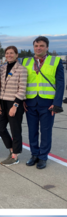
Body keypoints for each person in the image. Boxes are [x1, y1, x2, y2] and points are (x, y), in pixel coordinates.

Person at [22, 36, 65, 170]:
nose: (38, 48)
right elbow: (23, 82)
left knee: (46, 132)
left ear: (46, 47)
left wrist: (57, 103)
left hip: (48, 104)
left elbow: (60, 84)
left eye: (41, 45)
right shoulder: (26, 61)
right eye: (36, 45)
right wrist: (23, 99)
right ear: (33, 47)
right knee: (32, 131)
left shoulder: (55, 61)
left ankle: (43, 157)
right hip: (30, 102)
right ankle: (34, 155)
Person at [0, 46, 27, 166]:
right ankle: (11, 149)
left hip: (14, 103)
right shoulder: (2, 68)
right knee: (0, 127)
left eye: (12, 53)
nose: (9, 55)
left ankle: (15, 156)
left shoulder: (21, 69)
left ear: (16, 55)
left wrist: (15, 106)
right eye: (7, 53)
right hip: (2, 102)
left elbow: (22, 89)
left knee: (15, 130)